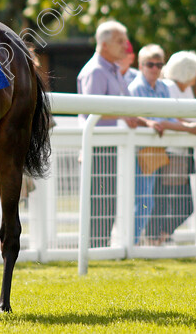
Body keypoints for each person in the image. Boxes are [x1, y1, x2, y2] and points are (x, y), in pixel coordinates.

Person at [127, 45, 196, 245]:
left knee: (149, 200)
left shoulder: (162, 88)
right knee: (142, 200)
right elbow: (152, 120)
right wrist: (188, 128)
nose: (154, 68)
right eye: (150, 64)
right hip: (139, 151)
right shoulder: (135, 88)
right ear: (141, 65)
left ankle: (139, 243)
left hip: (156, 151)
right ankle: (133, 243)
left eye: (158, 64)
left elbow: (167, 118)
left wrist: (189, 126)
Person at [76, 20, 140, 247]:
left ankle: (100, 250)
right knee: (99, 205)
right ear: (104, 45)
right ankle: (94, 251)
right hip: (98, 148)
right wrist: (125, 117)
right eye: (120, 41)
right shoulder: (96, 71)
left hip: (109, 146)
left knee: (108, 203)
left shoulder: (112, 70)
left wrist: (146, 122)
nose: (126, 46)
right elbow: (92, 111)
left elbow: (126, 108)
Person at [148, 50, 196, 245]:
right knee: (171, 201)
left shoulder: (185, 89)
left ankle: (160, 236)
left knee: (181, 203)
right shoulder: (169, 86)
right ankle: (157, 237)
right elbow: (174, 116)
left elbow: (191, 115)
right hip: (170, 152)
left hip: (183, 152)